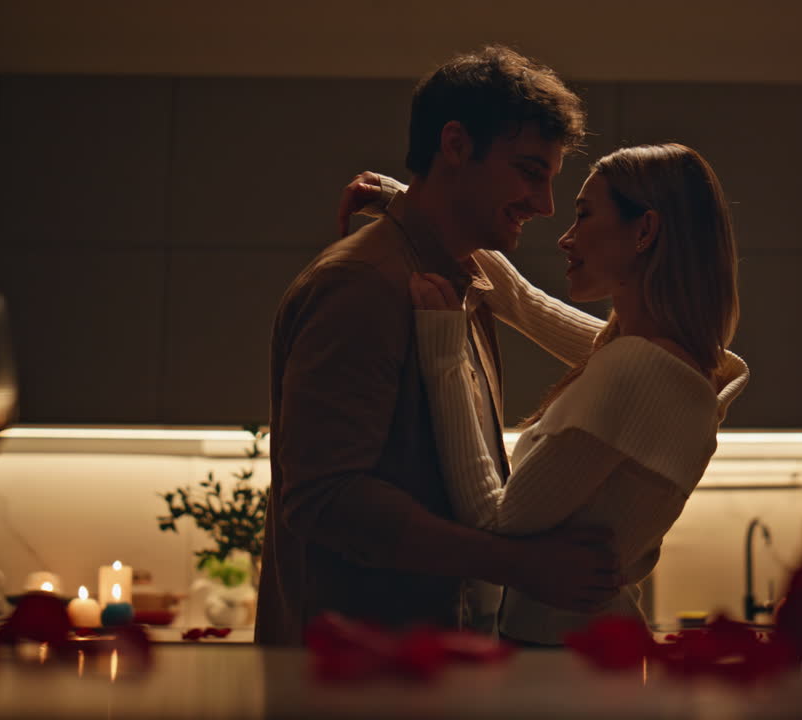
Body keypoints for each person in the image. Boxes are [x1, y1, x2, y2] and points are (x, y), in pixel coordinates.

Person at [255, 46, 623, 647]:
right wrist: (521, 565)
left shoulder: (462, 278)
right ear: (455, 145)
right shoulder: (363, 285)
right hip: (352, 680)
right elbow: (326, 498)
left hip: (424, 669)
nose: (546, 206)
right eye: (531, 172)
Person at [356, 143, 749, 646]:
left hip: (558, 655)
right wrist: (412, 208)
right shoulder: (678, 365)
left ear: (645, 231)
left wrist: (443, 348)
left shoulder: (634, 370)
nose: (565, 237)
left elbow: (491, 519)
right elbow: (524, 303)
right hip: (600, 646)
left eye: (584, 215)